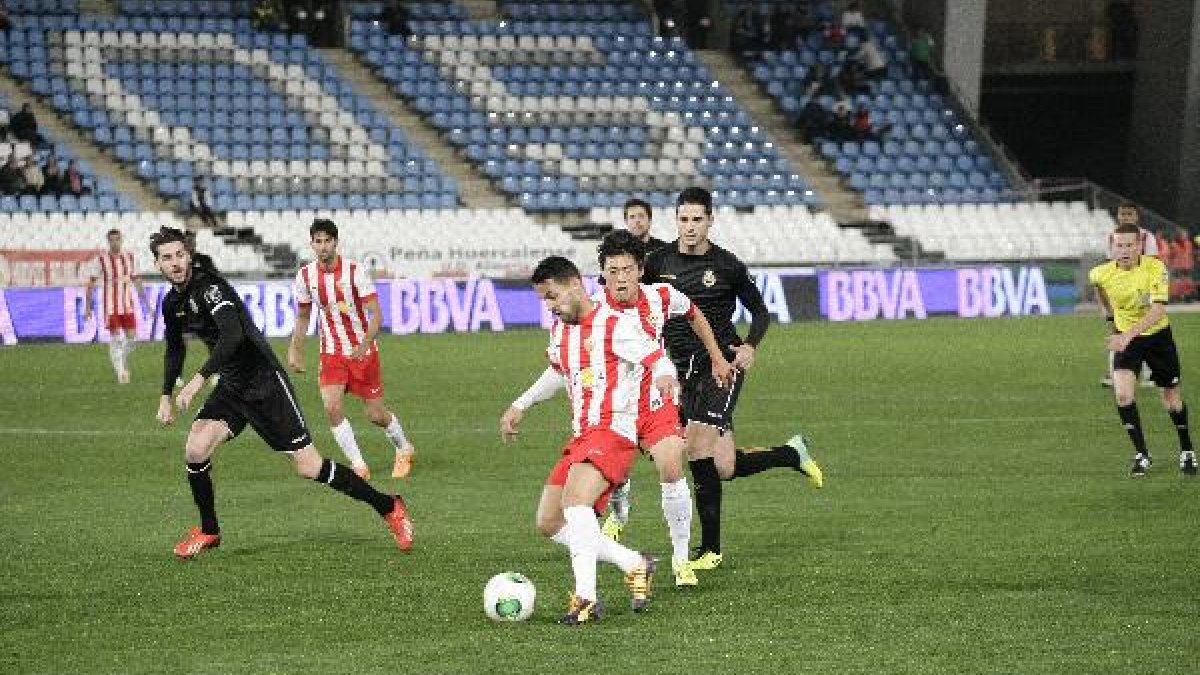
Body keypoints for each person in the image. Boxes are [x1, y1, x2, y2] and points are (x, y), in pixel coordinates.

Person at [150, 226, 413, 559]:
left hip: (263, 384)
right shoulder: (173, 302)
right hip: (232, 386)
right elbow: (174, 349)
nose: (174, 263)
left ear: (188, 255)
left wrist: (197, 380)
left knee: (309, 467)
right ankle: (208, 530)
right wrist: (164, 395)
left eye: (179, 255)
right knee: (195, 450)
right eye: (166, 258)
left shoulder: (210, 288)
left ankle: (389, 506)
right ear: (157, 264)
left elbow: (233, 336)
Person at [502, 230, 735, 588]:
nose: (621, 277)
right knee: (568, 511)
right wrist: (523, 402)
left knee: (672, 469)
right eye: (613, 271)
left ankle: (679, 560)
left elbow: (694, 314)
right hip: (614, 411)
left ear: (641, 270)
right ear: (602, 275)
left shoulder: (661, 297)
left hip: (655, 403)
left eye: (627, 269)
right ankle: (618, 516)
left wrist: (716, 357)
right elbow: (563, 369)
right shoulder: (591, 314)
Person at [643, 187, 824, 572]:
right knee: (723, 466)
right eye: (683, 219)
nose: (690, 227)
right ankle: (791, 453)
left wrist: (751, 345)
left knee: (695, 450)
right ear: (675, 220)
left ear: (710, 220)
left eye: (697, 219)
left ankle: (710, 549)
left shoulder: (727, 266)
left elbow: (759, 311)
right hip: (681, 371)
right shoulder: (657, 262)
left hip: (721, 365)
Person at [500, 255, 663, 625]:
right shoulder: (560, 331)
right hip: (583, 435)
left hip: (614, 431)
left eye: (553, 297)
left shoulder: (613, 323)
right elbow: (560, 372)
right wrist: (520, 403)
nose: (551, 306)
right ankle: (635, 563)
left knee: (576, 502)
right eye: (545, 300)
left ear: (575, 284)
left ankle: (586, 599)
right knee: (549, 521)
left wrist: (667, 377)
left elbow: (656, 357)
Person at [288, 219, 416, 480]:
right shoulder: (305, 276)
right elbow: (303, 316)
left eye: (327, 241)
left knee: (376, 415)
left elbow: (376, 316)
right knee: (332, 407)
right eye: (318, 241)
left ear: (336, 242)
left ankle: (404, 448)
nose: (323, 246)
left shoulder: (355, 273)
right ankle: (359, 466)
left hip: (362, 353)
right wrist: (295, 350)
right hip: (332, 353)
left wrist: (364, 344)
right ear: (311, 244)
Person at [1089, 224, 1195, 477]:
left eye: (1129, 245)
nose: (1124, 250)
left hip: (1158, 338)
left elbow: (1158, 310)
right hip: (1128, 339)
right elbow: (1101, 291)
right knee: (1123, 396)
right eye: (1119, 245)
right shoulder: (1099, 273)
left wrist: (1126, 335)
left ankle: (1187, 450)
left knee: (1171, 400)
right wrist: (1111, 318)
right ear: (1112, 247)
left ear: (1139, 246)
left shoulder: (1154, 268)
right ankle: (1142, 455)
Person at [1101, 203, 1158, 388]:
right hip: (1120, 290)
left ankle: (1151, 374)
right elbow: (1111, 265)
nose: (1125, 217)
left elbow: (1152, 264)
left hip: (1142, 290)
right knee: (1117, 329)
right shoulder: (1112, 237)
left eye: (1129, 213)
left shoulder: (1146, 236)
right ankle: (1114, 374)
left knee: (1146, 330)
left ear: (1136, 216)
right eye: (1122, 214)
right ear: (1118, 216)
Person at [84, 229, 144, 384]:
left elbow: (137, 279)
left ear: (121, 240)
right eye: (112, 240)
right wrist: (88, 307)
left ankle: (121, 361)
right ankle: (121, 372)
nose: (115, 242)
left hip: (127, 304)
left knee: (132, 340)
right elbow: (90, 283)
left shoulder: (129, 257)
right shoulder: (101, 260)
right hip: (110, 305)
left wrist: (145, 301)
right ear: (108, 241)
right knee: (116, 338)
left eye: (117, 239)